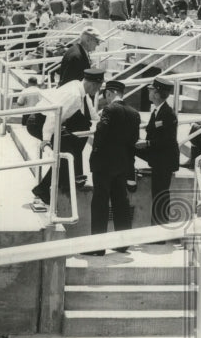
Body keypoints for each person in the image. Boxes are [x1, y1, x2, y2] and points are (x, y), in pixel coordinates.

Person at [32, 68, 102, 209]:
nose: (98, 91)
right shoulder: (74, 95)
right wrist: (46, 140)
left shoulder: (79, 86)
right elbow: (53, 115)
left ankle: (62, 181)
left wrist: (100, 121)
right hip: (39, 121)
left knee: (72, 147)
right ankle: (43, 189)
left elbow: (90, 111)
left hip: (48, 120)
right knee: (68, 152)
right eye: (99, 87)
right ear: (93, 84)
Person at [86, 79, 141, 255]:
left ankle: (97, 246)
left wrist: (94, 154)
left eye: (106, 96)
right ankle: (122, 244)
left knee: (100, 203)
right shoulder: (134, 113)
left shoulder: (109, 109)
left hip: (104, 165)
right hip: (123, 164)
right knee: (120, 203)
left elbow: (101, 133)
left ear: (109, 93)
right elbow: (133, 140)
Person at [136, 78, 179, 226]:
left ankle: (159, 231)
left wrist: (147, 143)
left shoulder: (168, 114)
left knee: (160, 194)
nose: (148, 92)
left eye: (150, 90)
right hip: (157, 157)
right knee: (158, 193)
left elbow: (168, 141)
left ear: (156, 94)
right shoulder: (158, 111)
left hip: (164, 161)